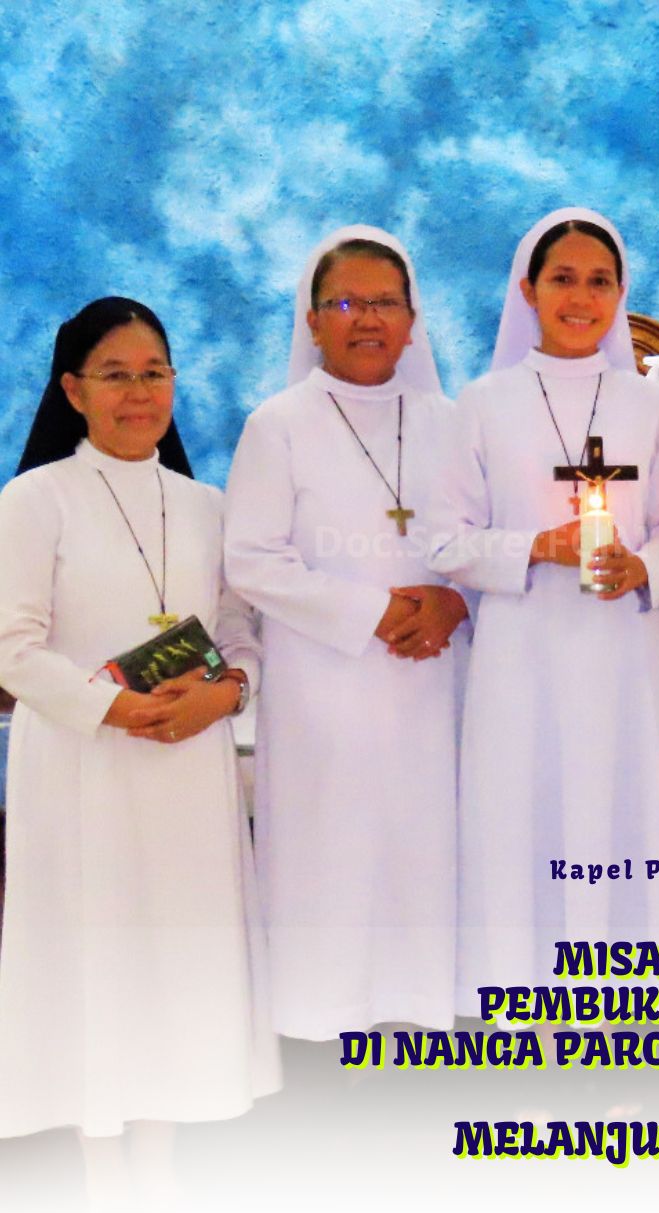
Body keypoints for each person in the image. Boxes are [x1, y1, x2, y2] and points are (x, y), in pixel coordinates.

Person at [0, 298, 279, 1200]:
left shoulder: (207, 505)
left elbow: (240, 634)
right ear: (73, 390)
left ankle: (157, 1170)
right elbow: (11, 648)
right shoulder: (33, 500)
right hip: (83, 765)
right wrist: (118, 711)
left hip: (186, 766)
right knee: (96, 954)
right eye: (115, 376)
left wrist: (225, 695)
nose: (138, 393)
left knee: (175, 956)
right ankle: (99, 1175)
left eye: (153, 374)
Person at [426, 208, 659, 998]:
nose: (581, 298)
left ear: (620, 294)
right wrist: (537, 547)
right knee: (527, 820)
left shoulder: (652, 407)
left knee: (629, 815)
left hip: (628, 658)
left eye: (599, 282)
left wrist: (645, 566)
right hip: (524, 656)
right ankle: (530, 1010)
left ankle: (628, 1010)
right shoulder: (484, 403)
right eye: (563, 280)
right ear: (529, 291)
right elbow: (445, 541)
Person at [224, 226, 469, 1040]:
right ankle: (319, 1033)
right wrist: (373, 613)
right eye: (345, 303)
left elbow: (487, 542)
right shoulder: (278, 425)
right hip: (324, 693)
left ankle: (424, 1020)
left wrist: (454, 604)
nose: (367, 319)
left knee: (426, 859)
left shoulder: (451, 422)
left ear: (413, 321)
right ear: (313, 320)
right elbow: (252, 560)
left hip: (435, 689)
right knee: (329, 864)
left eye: (385, 303)